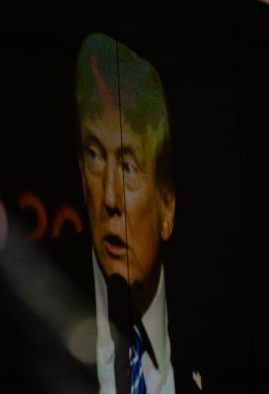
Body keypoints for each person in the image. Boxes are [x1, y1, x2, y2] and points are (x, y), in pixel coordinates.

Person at [74, 33, 195, 393]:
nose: (110, 197)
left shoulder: (221, 347)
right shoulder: (43, 327)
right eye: (95, 156)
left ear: (167, 208)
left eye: (128, 167)